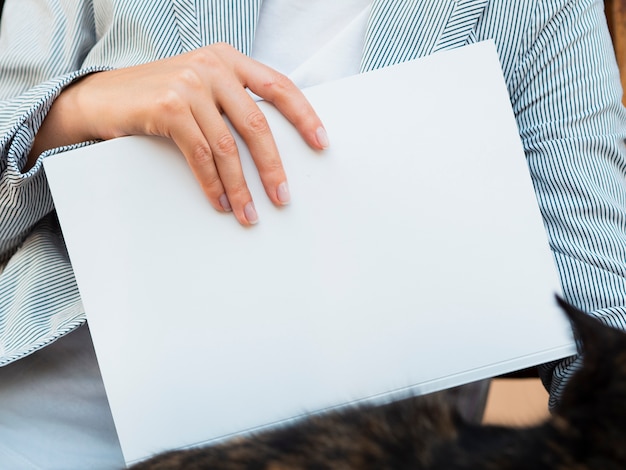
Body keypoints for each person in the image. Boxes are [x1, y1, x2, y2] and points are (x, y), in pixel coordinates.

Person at [1, 0, 625, 467]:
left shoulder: (541, 11)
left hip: (329, 447)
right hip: (47, 415)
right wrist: (80, 107)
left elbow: (602, 303)